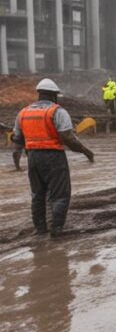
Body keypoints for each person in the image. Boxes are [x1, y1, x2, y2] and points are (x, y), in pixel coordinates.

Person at [12, 79, 95, 238]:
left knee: (38, 194)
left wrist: (17, 164)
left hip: (33, 158)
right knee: (60, 194)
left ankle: (40, 228)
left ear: (39, 94)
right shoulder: (57, 112)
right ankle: (56, 229)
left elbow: (17, 144)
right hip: (53, 157)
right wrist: (86, 152)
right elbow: (69, 139)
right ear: (54, 95)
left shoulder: (23, 113)